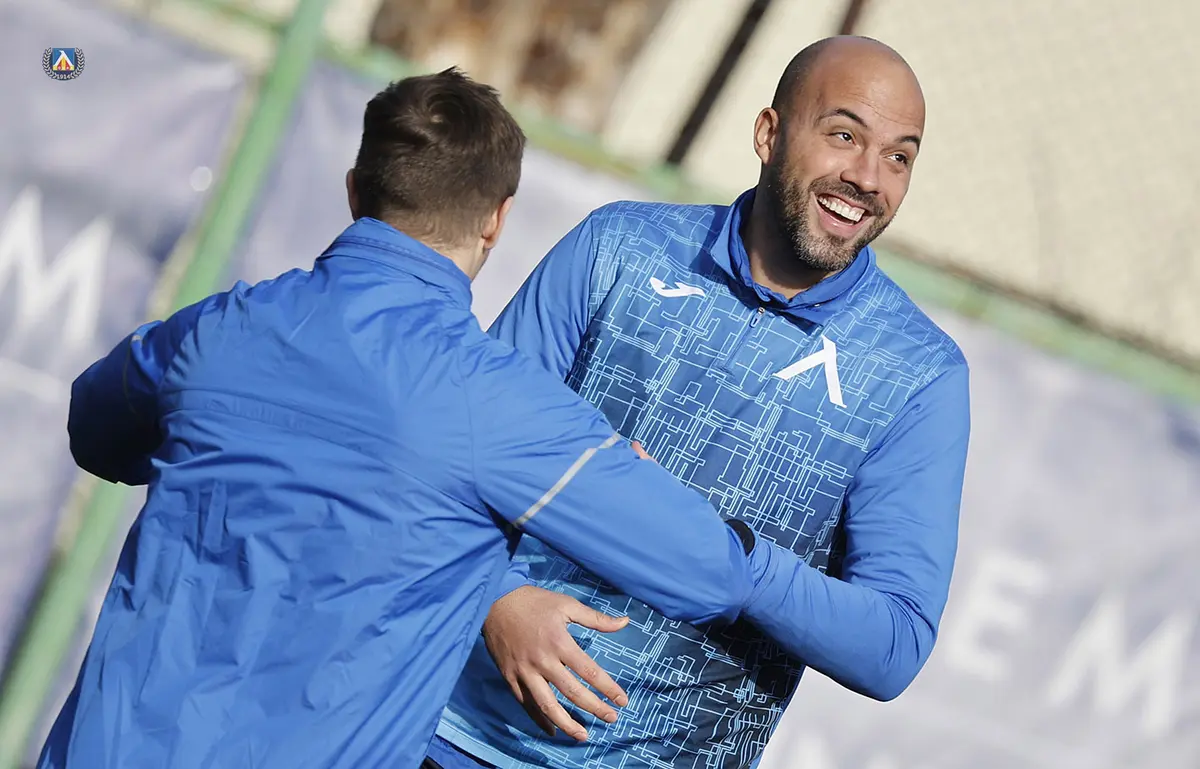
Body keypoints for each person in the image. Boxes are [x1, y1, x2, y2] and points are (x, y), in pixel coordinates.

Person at [35, 68, 769, 769]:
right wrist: (651, 492)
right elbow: (709, 572)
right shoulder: (501, 403)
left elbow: (92, 426)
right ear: (497, 221)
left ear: (355, 189)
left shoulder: (218, 329)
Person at [425, 36, 971, 769]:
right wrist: (495, 598)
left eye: (899, 157)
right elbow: (449, 456)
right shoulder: (619, 247)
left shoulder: (919, 375)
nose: (868, 177)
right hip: (448, 730)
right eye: (844, 136)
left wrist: (733, 559)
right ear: (769, 134)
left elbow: (892, 644)